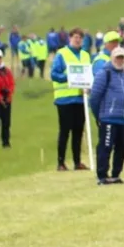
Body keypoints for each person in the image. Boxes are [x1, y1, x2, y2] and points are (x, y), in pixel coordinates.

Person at [89, 47, 124, 185]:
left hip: (123, 118)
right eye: (117, 57)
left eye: (122, 58)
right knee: (106, 146)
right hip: (108, 117)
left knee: (122, 147)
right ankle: (102, 175)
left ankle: (115, 174)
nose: (119, 60)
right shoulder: (104, 73)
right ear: (112, 58)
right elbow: (94, 97)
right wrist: (99, 116)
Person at [50, 28, 91, 171]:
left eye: (80, 37)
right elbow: (54, 74)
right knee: (65, 131)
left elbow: (88, 75)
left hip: (80, 98)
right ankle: (61, 162)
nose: (78, 39)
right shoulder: (62, 54)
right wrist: (69, 78)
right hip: (65, 98)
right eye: (75, 37)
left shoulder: (86, 55)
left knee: (78, 131)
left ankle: (77, 161)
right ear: (70, 38)